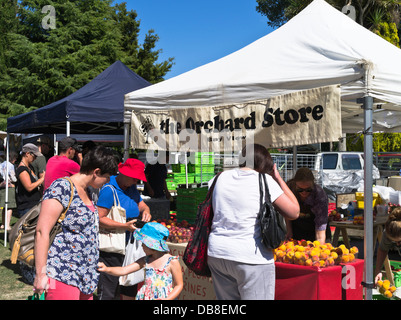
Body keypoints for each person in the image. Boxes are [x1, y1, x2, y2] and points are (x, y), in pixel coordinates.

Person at [207, 144, 300, 300]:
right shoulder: (264, 180)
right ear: (265, 163)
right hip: (250, 256)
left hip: (218, 253)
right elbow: (294, 212)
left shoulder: (218, 178)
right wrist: (277, 178)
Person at [33, 146, 118, 300]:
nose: (108, 181)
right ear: (96, 172)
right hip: (62, 272)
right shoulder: (61, 188)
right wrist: (41, 274)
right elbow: (41, 231)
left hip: (86, 275)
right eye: (107, 177)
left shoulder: (89, 191)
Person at [96, 158, 152, 300]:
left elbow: (141, 204)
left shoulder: (131, 187)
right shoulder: (109, 190)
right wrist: (124, 226)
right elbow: (99, 218)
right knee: (110, 289)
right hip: (112, 249)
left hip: (129, 245)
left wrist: (146, 210)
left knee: (129, 287)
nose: (136, 182)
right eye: (135, 178)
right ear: (124, 174)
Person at [98, 222, 183, 300]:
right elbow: (124, 270)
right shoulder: (145, 260)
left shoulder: (172, 262)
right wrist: (106, 269)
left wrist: (167, 299)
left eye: (144, 243)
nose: (142, 245)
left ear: (152, 245)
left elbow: (179, 285)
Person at [286, 167, 330, 244]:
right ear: (295, 183)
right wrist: (289, 231)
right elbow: (287, 212)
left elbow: (320, 230)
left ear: (313, 184)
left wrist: (319, 247)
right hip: (296, 227)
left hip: (314, 226)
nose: (304, 193)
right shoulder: (289, 189)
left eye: (308, 189)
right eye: (300, 189)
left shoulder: (320, 196)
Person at [15, 144, 45, 218]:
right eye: (34, 156)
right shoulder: (22, 170)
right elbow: (29, 187)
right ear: (27, 154)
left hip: (34, 204)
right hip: (27, 207)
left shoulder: (30, 167)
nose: (35, 158)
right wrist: (42, 179)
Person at [374, 207, 401, 285]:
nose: (397, 244)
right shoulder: (388, 233)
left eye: (399, 241)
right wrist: (378, 271)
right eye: (393, 241)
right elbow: (383, 249)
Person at [0, 151, 18, 230]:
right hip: (10, 186)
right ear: (13, 158)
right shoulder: (10, 165)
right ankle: (7, 225)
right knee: (10, 207)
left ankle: (3, 224)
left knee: (4, 206)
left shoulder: (1, 164)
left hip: (3, 186)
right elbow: (13, 176)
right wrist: (16, 179)